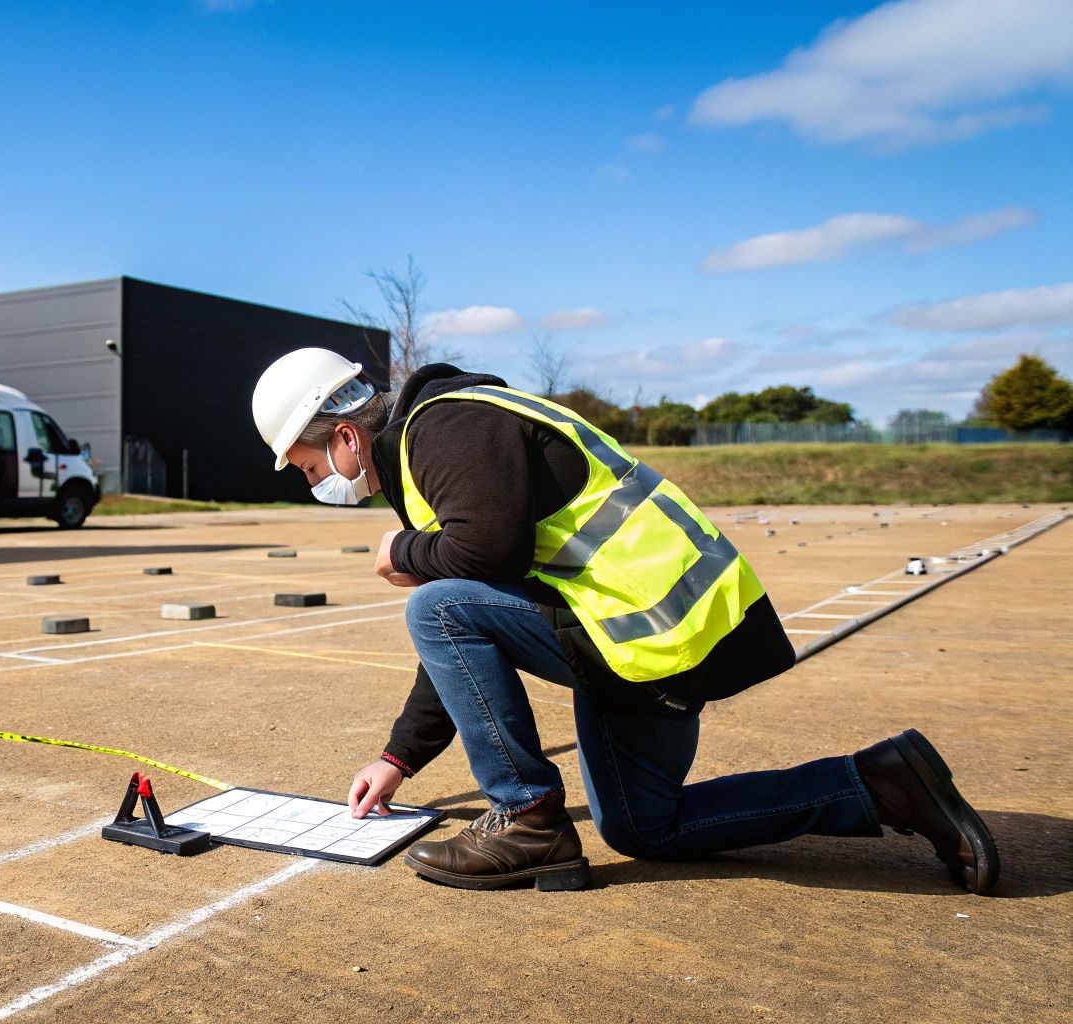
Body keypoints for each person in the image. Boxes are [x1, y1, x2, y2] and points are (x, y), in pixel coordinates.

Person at [249, 348, 999, 894]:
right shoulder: (450, 431)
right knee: (645, 830)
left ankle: (528, 820)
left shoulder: (444, 427)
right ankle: (881, 783)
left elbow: (482, 555)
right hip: (652, 639)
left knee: (431, 600)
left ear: (344, 436)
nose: (319, 485)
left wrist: (404, 549)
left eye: (310, 468)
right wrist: (399, 758)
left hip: (652, 631)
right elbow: (468, 617)